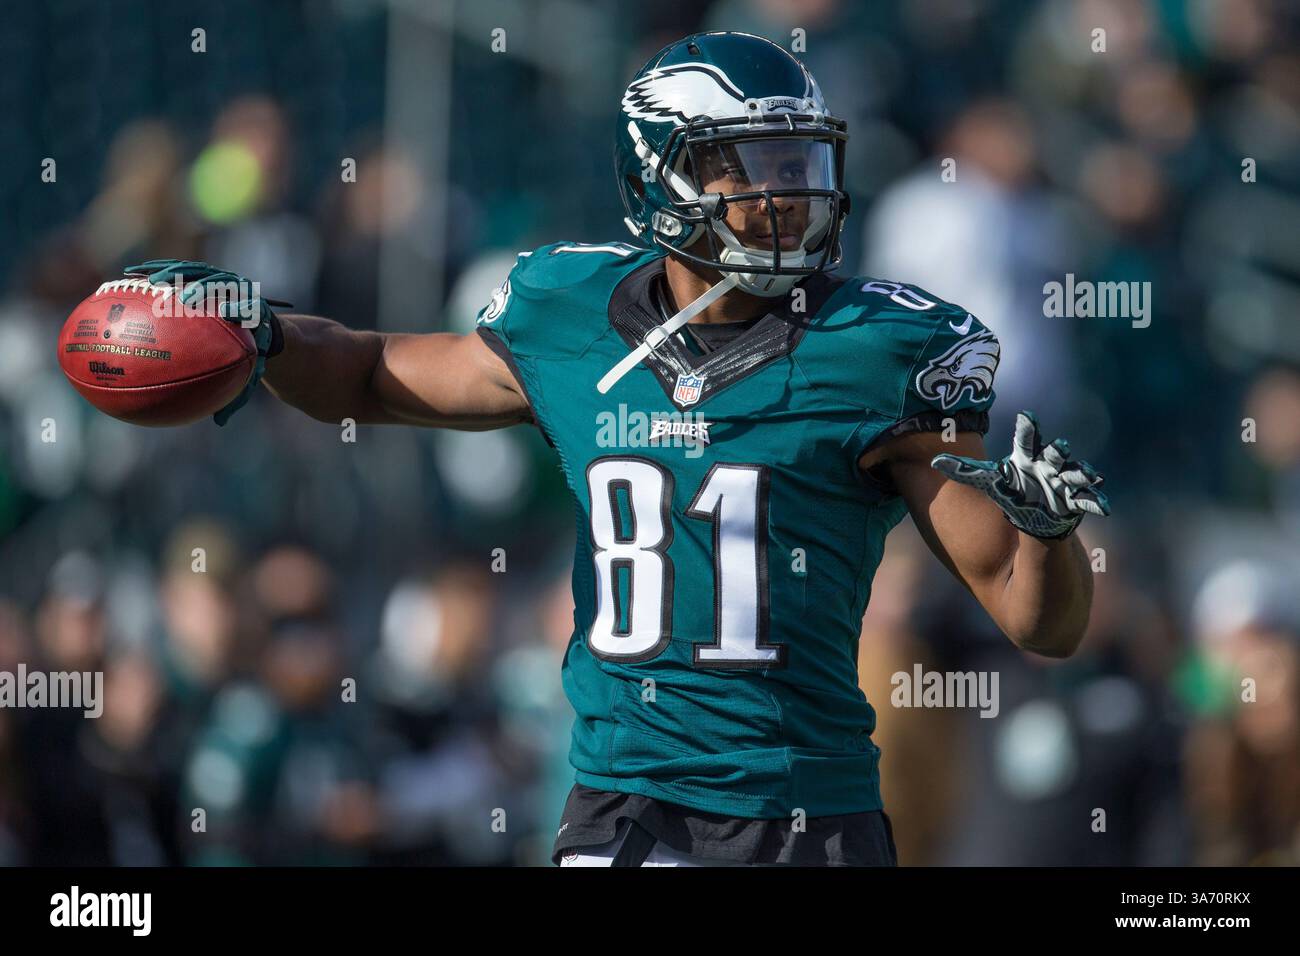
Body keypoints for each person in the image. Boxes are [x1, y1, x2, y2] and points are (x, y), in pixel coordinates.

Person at [119, 32, 1108, 866]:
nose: (785, 195)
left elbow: (1036, 615)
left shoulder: (881, 351)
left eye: (799, 163)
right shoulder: (567, 311)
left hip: (804, 810)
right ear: (661, 170)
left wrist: (1050, 532)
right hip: (621, 805)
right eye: (751, 166)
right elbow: (376, 372)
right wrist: (266, 329)